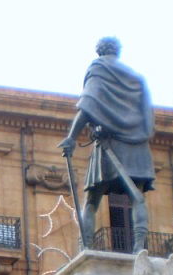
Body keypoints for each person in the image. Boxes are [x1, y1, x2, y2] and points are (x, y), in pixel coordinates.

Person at [58, 37, 155, 253]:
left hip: (109, 142)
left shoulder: (99, 68)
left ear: (99, 51)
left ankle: (86, 247)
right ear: (118, 51)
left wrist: (72, 137)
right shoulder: (136, 79)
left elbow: (88, 104)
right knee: (137, 196)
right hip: (137, 143)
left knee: (92, 199)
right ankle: (140, 247)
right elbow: (147, 113)